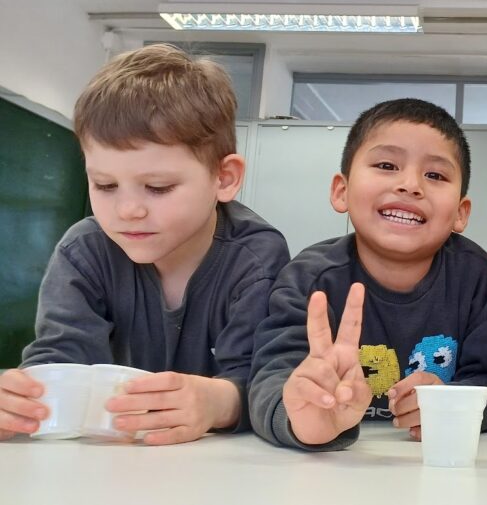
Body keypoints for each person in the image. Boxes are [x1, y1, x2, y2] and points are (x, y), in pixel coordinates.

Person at [0, 43, 290, 445]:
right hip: (110, 459)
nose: (128, 210)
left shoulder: (256, 257)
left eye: (158, 187)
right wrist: (23, 404)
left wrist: (219, 402)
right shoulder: (83, 251)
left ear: (224, 178)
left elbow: (265, 381)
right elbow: (61, 360)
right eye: (105, 185)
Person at [248, 98, 487, 450]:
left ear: (460, 213)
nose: (410, 185)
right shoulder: (310, 278)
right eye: (387, 165)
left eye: (435, 175)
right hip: (337, 466)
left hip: (439, 461)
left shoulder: (476, 277)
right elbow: (270, 378)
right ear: (341, 191)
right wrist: (304, 419)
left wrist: (456, 402)